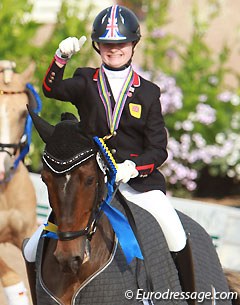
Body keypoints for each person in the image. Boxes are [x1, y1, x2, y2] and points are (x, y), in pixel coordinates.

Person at [27, 4, 195, 302]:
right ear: (97, 46)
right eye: (107, 44)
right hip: (90, 179)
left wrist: (134, 166)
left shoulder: (148, 92)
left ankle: (188, 296)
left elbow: (158, 149)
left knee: (175, 232)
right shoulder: (84, 81)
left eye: (120, 44)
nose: (114, 50)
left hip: (137, 183)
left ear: (132, 45)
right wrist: (60, 58)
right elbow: (51, 89)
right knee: (31, 247)